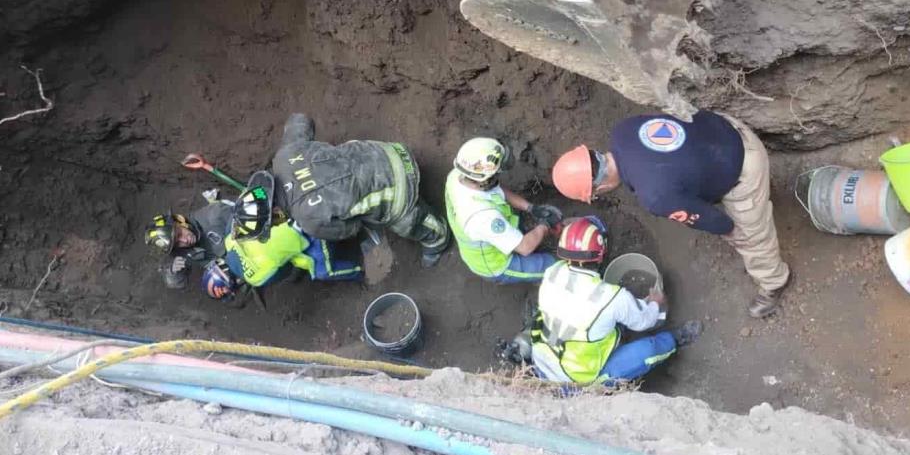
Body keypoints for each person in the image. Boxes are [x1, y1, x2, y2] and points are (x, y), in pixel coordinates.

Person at [552, 110, 790, 318]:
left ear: (600, 188)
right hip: (723, 128)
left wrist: (733, 232)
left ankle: (774, 282)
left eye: (595, 195)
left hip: (744, 165)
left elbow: (714, 220)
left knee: (750, 237)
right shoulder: (623, 130)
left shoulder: (654, 196)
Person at [529, 216, 695, 386]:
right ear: (600, 255)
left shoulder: (552, 272)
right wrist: (655, 302)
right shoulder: (613, 298)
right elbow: (646, 321)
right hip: (575, 380)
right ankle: (675, 339)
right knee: (647, 351)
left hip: (542, 358)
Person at [271, 113, 449, 266]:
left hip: (401, 186)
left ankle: (437, 240)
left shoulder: (310, 222)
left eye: (273, 223)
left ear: (277, 213)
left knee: (398, 220)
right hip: (388, 151)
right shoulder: (283, 156)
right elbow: (301, 120)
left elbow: (351, 228)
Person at [201, 172, 362, 303]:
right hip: (286, 202)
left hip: (308, 230)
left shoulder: (256, 279)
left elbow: (285, 270)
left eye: (225, 292)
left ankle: (361, 272)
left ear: (227, 285)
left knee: (323, 271)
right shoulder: (229, 239)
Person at [445, 137, 563, 283]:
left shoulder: (458, 176)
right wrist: (545, 226)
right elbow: (525, 247)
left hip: (492, 235)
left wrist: (531, 208)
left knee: (526, 237)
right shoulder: (483, 218)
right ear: (485, 179)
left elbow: (496, 190)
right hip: (496, 263)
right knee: (553, 267)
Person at [144, 202, 231, 289]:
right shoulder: (181, 251)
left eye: (180, 234)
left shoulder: (215, 215)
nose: (185, 241)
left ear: (180, 221)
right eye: (178, 243)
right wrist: (173, 272)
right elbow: (174, 282)